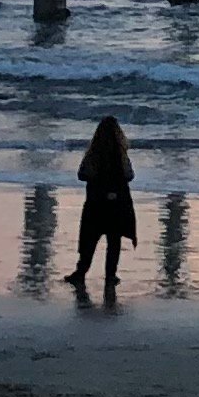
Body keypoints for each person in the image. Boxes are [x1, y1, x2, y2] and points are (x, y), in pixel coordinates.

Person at [67, 116, 138, 294]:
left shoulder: (93, 153)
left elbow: (82, 174)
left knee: (89, 239)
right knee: (114, 242)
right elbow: (130, 175)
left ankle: (81, 272)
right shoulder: (121, 155)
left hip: (96, 203)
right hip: (116, 205)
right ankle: (110, 276)